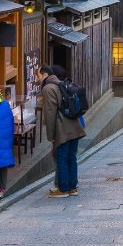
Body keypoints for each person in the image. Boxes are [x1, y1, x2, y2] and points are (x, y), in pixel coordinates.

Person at [39, 64, 86, 198]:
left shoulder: (48, 88)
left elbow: (50, 113)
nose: (37, 79)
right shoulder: (62, 84)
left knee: (61, 158)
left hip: (62, 128)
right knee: (71, 157)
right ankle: (72, 188)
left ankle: (63, 189)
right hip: (75, 125)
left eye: (38, 76)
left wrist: (51, 135)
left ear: (45, 75)